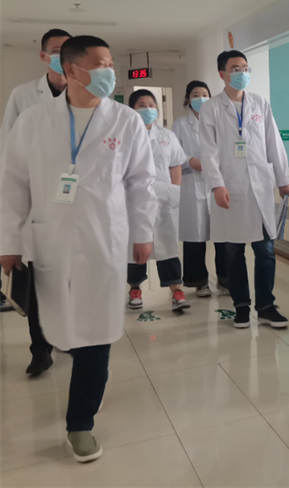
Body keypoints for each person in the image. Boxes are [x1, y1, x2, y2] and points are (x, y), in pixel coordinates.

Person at [0, 35, 157, 462]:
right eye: (101, 63)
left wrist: (143, 233)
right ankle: (89, 378)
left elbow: (141, 183)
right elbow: (12, 184)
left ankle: (80, 422)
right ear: (71, 69)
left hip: (104, 242)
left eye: (111, 63)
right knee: (60, 328)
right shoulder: (33, 121)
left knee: (97, 332)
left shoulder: (125, 121)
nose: (110, 71)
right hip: (49, 241)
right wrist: (8, 241)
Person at [199, 50, 289, 329]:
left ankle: (266, 307)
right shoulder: (211, 108)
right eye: (235, 68)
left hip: (259, 188)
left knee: (265, 251)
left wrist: (282, 178)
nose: (242, 73)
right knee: (233, 251)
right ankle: (241, 307)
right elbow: (208, 150)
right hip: (230, 188)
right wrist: (217, 184)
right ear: (222, 74)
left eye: (245, 68)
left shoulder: (260, 104)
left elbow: (273, 142)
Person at [0, 28, 72, 374]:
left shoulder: (85, 93)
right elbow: (9, 155)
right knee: (38, 278)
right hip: (36, 200)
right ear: (44, 56)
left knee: (69, 277)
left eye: (66, 49)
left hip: (74, 202)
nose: (61, 55)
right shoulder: (23, 95)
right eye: (55, 50)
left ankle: (66, 336)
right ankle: (40, 348)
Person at [126, 90, 188, 312]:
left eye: (152, 105)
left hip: (163, 197)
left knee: (167, 243)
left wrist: (175, 189)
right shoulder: (125, 134)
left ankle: (176, 289)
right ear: (132, 109)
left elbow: (176, 164)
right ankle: (135, 288)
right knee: (134, 243)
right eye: (142, 105)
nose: (148, 109)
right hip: (134, 199)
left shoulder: (167, 135)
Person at [172, 81, 228, 298]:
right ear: (188, 99)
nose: (201, 98)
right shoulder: (180, 124)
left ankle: (225, 279)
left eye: (205, 94)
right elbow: (173, 153)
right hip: (192, 182)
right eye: (196, 94)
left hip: (216, 182)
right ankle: (198, 281)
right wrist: (189, 160)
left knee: (222, 234)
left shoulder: (219, 121)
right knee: (194, 236)